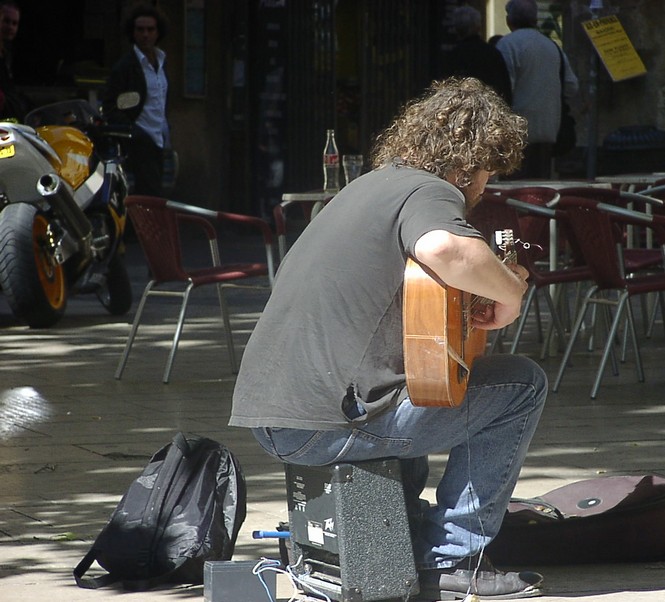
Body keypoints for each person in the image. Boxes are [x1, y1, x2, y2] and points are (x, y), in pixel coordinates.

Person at [230, 77, 549, 600]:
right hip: (321, 423)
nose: (484, 189)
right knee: (521, 385)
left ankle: (400, 540)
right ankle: (454, 558)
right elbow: (444, 248)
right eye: (489, 173)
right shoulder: (431, 190)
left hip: (276, 417)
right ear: (468, 164)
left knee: (423, 384)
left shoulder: (367, 188)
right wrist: (510, 292)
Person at [496, 0, 578, 178]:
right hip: (548, 128)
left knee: (515, 187)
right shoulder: (552, 46)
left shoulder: (507, 45)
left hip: (515, 131)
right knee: (541, 184)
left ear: (510, 20)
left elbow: (504, 86)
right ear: (535, 20)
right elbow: (571, 86)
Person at [102, 3, 170, 198]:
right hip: (139, 142)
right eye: (140, 30)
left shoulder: (162, 61)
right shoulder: (125, 67)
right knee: (147, 198)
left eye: (150, 29)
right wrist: (133, 132)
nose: (145, 35)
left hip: (160, 140)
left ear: (158, 32)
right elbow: (110, 106)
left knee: (156, 196)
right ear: (133, 33)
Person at [441, 6, 512, 105]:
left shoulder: (453, 56)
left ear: (457, 29)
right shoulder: (491, 53)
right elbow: (504, 88)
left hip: (460, 109)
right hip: (489, 109)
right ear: (478, 26)